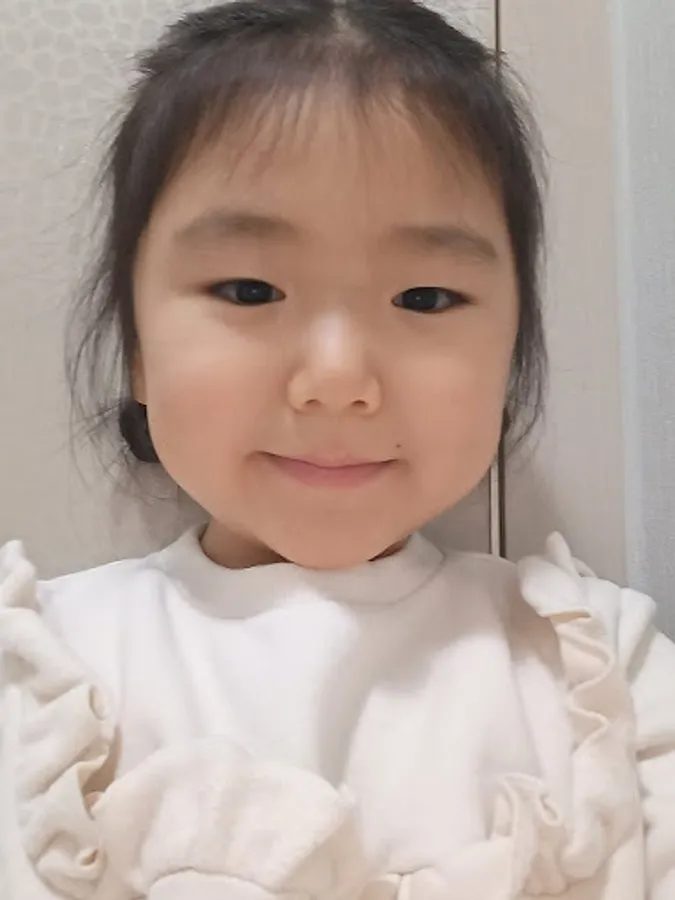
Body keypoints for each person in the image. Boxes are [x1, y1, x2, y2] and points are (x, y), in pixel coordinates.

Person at [1, 0, 674, 896]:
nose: (336, 378)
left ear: (510, 355)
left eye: (424, 299)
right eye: (249, 290)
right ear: (137, 351)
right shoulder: (46, 676)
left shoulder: (599, 673)